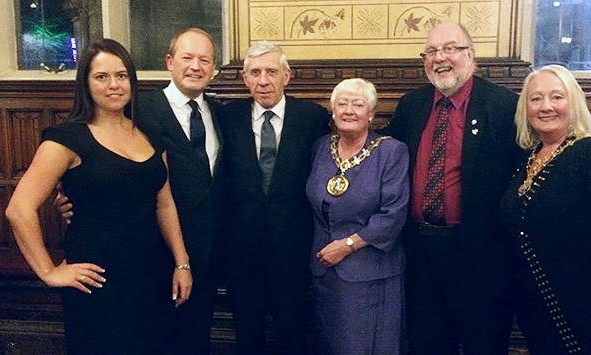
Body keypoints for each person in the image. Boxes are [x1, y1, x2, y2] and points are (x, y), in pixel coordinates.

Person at [4, 38, 192, 354]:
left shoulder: (148, 132)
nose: (114, 85)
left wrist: (181, 262)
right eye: (101, 77)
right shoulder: (67, 139)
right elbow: (19, 209)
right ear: (86, 84)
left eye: (121, 76)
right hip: (97, 280)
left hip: (149, 274)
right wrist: (49, 272)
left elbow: (164, 202)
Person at [55, 28, 225, 354]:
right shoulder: (136, 109)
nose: (196, 66)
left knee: (193, 340)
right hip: (141, 258)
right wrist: (66, 200)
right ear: (169, 62)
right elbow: (87, 170)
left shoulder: (222, 113)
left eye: (205, 60)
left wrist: (186, 261)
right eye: (187, 57)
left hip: (200, 257)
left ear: (214, 67)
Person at [384, 22, 521, 354]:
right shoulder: (412, 105)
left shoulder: (504, 106)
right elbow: (385, 160)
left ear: (470, 55)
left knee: (483, 343)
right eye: (431, 51)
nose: (439, 58)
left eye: (449, 48)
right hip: (421, 254)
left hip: (480, 256)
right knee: (428, 343)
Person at [500, 64, 591, 354]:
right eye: (536, 98)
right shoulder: (526, 159)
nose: (546, 106)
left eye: (557, 97)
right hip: (538, 314)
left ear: (573, 103)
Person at [218, 41, 330, 355]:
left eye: (271, 71)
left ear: (287, 76)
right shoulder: (228, 117)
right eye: (255, 72)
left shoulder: (312, 117)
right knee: (247, 331)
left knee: (292, 328)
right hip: (241, 245)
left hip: (292, 243)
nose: (263, 80)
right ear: (244, 78)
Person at [306, 78, 409, 355]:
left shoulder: (391, 151)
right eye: (342, 103)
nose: (349, 110)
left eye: (358, 104)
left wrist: (347, 245)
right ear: (333, 110)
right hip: (324, 270)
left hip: (371, 273)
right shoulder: (320, 147)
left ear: (371, 113)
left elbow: (393, 214)